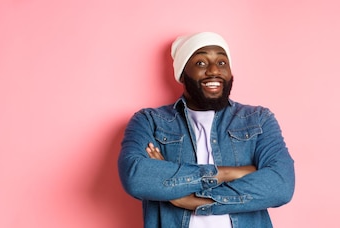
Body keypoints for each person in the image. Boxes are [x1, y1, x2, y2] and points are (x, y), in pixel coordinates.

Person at [118, 32, 295, 228]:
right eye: (201, 63)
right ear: (182, 73)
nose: (213, 71)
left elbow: (281, 185)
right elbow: (136, 178)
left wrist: (189, 200)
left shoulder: (258, 119)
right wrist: (226, 174)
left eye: (221, 62)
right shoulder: (150, 121)